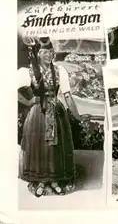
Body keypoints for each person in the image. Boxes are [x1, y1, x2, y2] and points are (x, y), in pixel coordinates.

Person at [18, 37, 79, 197]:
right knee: (39, 147)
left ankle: (54, 180)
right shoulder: (29, 71)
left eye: (51, 52)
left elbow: (67, 95)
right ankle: (41, 181)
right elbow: (11, 91)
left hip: (56, 111)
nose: (49, 55)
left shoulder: (60, 70)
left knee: (54, 148)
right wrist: (29, 101)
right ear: (38, 53)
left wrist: (77, 116)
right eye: (45, 52)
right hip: (37, 113)